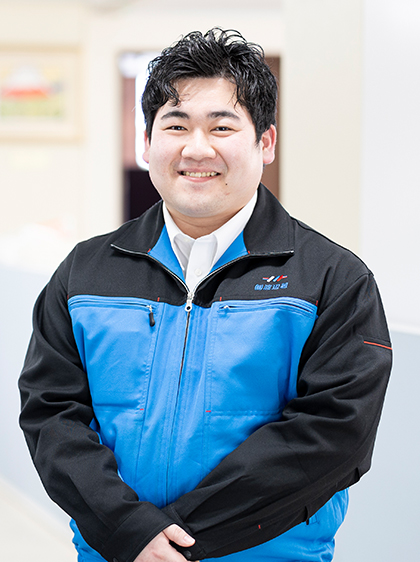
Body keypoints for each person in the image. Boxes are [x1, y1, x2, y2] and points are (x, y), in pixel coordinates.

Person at [19, 28, 392, 562]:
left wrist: (177, 538)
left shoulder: (332, 278)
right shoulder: (85, 272)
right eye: (175, 125)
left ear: (265, 142)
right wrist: (128, 529)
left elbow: (334, 435)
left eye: (221, 126)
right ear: (147, 143)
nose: (197, 148)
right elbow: (52, 414)